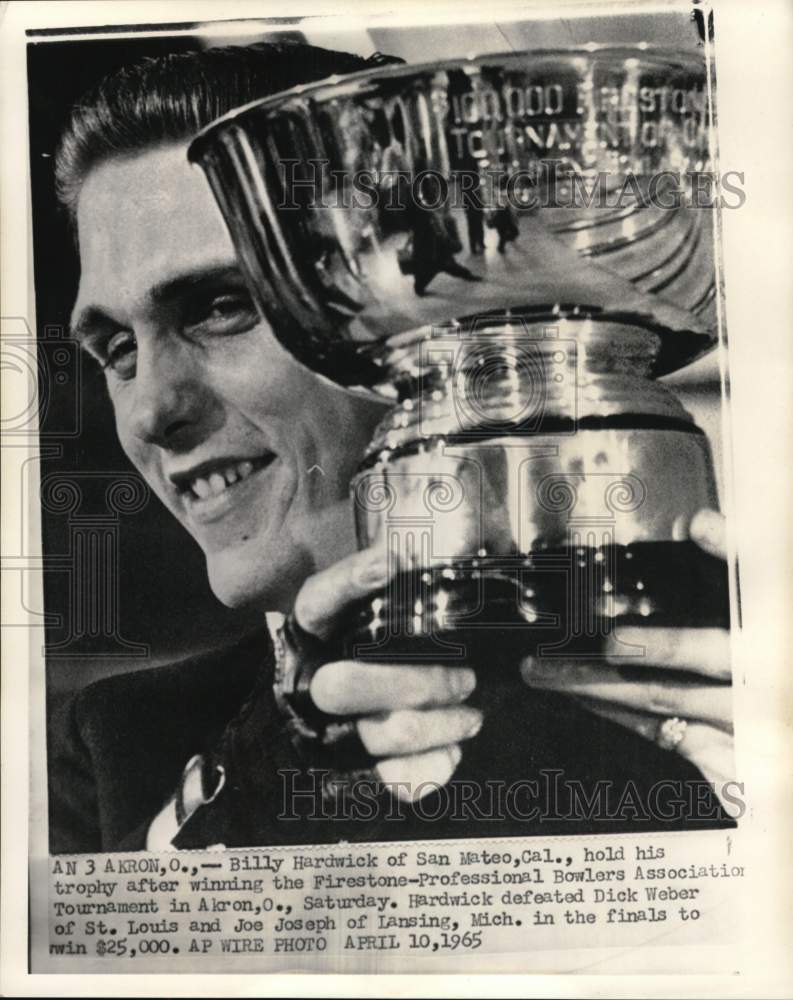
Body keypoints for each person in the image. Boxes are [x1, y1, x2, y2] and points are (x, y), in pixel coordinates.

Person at [48, 41, 736, 853]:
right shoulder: (119, 739)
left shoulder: (741, 678)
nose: (151, 411)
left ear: (420, 298)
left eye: (223, 305)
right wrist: (273, 766)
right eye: (117, 352)